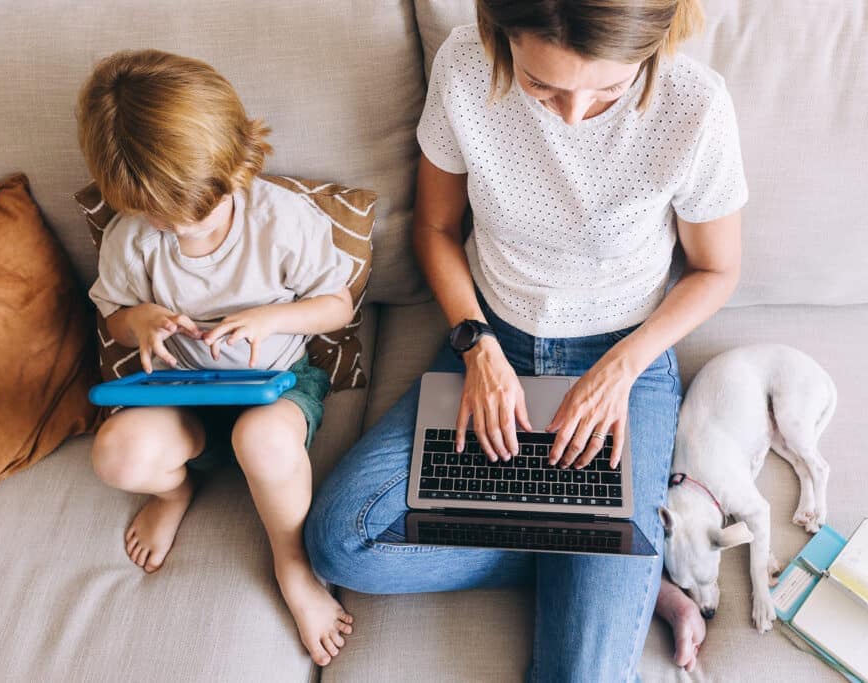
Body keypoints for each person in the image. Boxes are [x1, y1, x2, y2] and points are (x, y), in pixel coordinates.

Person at [306, 0, 747, 677]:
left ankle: (606, 568)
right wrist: (476, 344)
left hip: (625, 355)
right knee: (341, 541)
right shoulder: (464, 67)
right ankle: (604, 562)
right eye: (543, 86)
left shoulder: (695, 106)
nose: (571, 114)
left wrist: (620, 369)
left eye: (607, 88)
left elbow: (716, 270)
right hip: (491, 339)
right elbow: (434, 229)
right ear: (501, 36)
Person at [79, 50, 355, 666]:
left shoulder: (281, 221)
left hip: (275, 386)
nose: (179, 234)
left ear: (236, 164)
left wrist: (271, 318)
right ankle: (173, 494)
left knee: (263, 443)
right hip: (182, 395)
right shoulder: (134, 240)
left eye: (197, 215)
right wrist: (141, 320)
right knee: (116, 454)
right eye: (158, 218)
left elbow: (336, 305)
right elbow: (115, 317)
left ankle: (291, 563)